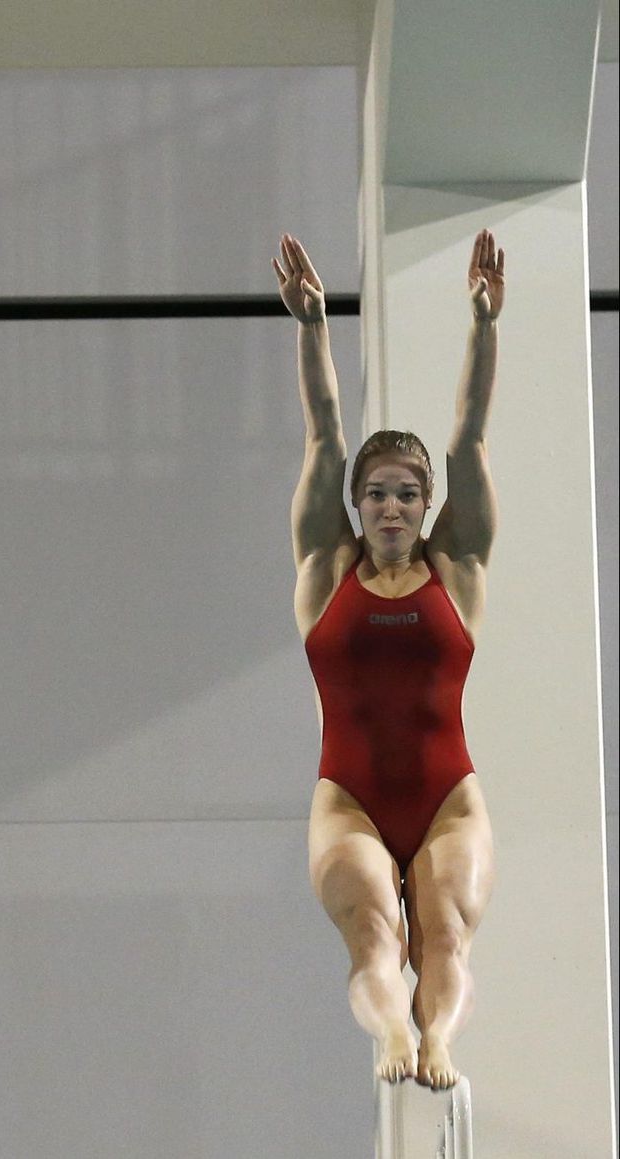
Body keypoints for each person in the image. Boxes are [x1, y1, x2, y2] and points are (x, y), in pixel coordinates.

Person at [274, 230, 503, 1089]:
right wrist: (312, 328)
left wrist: (483, 326)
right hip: (350, 800)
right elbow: (322, 436)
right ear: (357, 506)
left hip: (449, 796)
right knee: (376, 937)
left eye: (409, 491)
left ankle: (437, 1037)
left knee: (443, 937)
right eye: (377, 493)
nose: (394, 504)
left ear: (427, 503)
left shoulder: (458, 569)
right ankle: (391, 1037)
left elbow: (469, 437)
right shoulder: (326, 571)